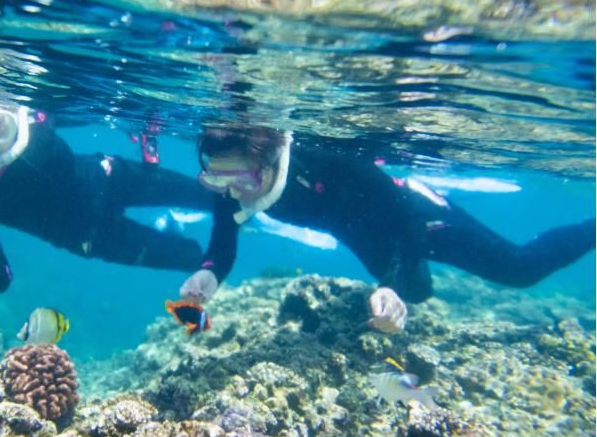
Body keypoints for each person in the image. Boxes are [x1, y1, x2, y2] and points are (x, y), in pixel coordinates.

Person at [179, 125, 596, 332]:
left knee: (519, 269)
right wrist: (209, 271)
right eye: (219, 180)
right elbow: (223, 238)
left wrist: (389, 283)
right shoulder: (230, 176)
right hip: (362, 232)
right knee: (418, 293)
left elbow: (402, 220)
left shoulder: (326, 159)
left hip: (415, 216)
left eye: (244, 182)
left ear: (269, 160)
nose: (234, 191)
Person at [0, 93, 214, 292]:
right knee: (193, 258)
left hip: (115, 177)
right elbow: (0, 283)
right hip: (97, 239)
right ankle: (177, 229)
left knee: (213, 195)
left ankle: (250, 212)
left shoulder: (36, 126)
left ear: (15, 116)